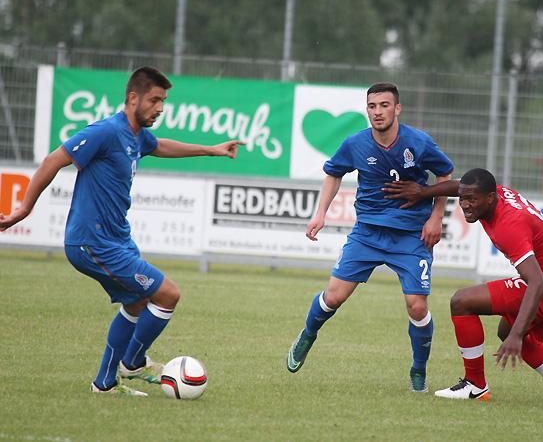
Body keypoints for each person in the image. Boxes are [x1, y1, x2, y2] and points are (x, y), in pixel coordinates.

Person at [0, 66, 243, 396]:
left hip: (116, 239)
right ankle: (133, 362)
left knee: (137, 304)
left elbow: (160, 146)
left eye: (163, 101)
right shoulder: (105, 131)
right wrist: (25, 209)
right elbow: (53, 160)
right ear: (133, 98)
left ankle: (105, 384)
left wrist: (211, 149)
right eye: (154, 100)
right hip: (92, 242)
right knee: (168, 295)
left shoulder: (137, 135)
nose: (160, 108)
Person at [286, 82, 454, 392]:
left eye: (384, 105)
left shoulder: (418, 142)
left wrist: (436, 217)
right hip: (367, 233)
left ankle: (418, 369)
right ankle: (308, 335)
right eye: (372, 106)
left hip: (410, 235)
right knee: (333, 296)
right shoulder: (355, 144)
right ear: (367, 110)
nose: (378, 112)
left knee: (417, 307)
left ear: (397, 108)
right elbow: (334, 172)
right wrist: (320, 213)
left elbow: (445, 174)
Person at [382, 168, 543, 405]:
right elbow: (460, 186)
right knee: (509, 333)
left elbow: (537, 282)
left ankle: (475, 385)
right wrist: (423, 192)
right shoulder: (494, 193)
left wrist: (516, 335)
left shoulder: (509, 225)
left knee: (462, 302)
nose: (465, 205)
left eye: (471, 200)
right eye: (462, 199)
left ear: (490, 198)